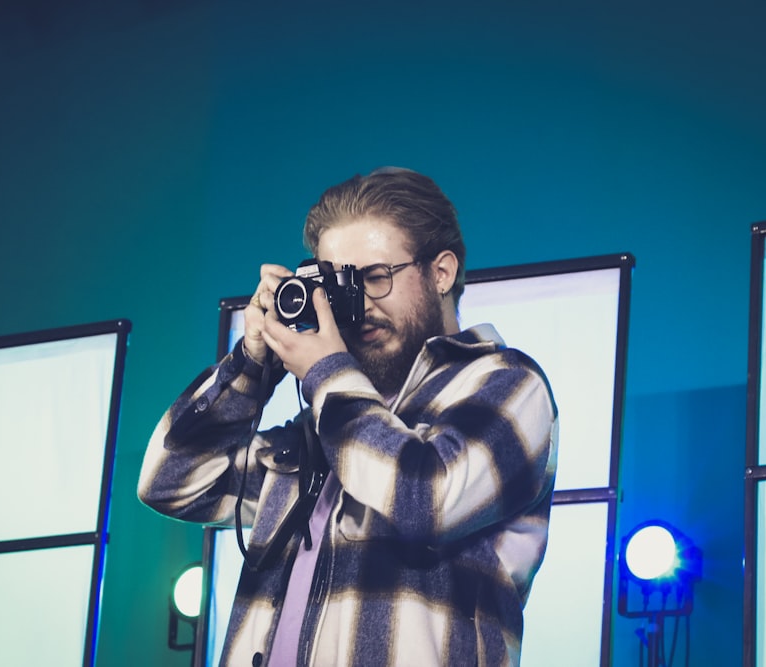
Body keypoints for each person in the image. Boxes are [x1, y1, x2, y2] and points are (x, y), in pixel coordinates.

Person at [138, 167, 559, 666]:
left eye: (376, 277)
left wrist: (324, 371)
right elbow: (171, 481)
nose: (356, 306)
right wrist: (252, 364)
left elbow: (425, 498)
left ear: (441, 273)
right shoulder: (322, 427)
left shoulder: (508, 383)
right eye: (340, 284)